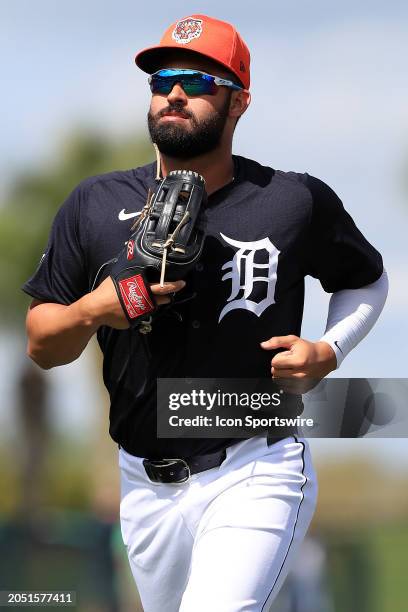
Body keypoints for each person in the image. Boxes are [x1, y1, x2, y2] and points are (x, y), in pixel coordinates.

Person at [23, 14, 388, 612]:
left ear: (239, 101)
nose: (173, 93)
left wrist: (329, 350)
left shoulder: (292, 199)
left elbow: (367, 281)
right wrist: (96, 308)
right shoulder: (94, 203)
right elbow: (43, 344)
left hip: (255, 464)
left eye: (196, 81)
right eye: (161, 79)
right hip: (144, 486)